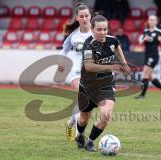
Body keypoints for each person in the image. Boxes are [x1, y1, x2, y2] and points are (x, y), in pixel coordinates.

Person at [75, 14, 130, 152]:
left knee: (105, 115)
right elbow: (89, 66)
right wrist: (111, 67)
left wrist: (124, 63)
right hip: (88, 87)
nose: (103, 32)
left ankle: (90, 141)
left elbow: (117, 46)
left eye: (105, 29)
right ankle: (80, 135)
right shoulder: (88, 44)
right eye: (99, 29)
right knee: (83, 119)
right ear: (92, 30)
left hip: (106, 85)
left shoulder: (112, 40)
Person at [59, 3, 92, 141]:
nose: (85, 18)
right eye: (82, 16)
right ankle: (80, 136)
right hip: (76, 71)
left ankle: (71, 122)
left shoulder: (96, 32)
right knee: (85, 96)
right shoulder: (73, 36)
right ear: (77, 18)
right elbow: (64, 50)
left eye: (87, 16)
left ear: (90, 16)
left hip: (91, 73)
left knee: (86, 110)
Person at [135, 15, 161, 99]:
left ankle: (142, 95)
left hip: (154, 56)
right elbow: (140, 42)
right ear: (148, 21)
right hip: (147, 55)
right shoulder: (145, 31)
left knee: (145, 73)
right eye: (150, 20)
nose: (152, 21)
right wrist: (144, 39)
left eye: (153, 20)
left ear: (156, 22)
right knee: (151, 77)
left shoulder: (159, 32)